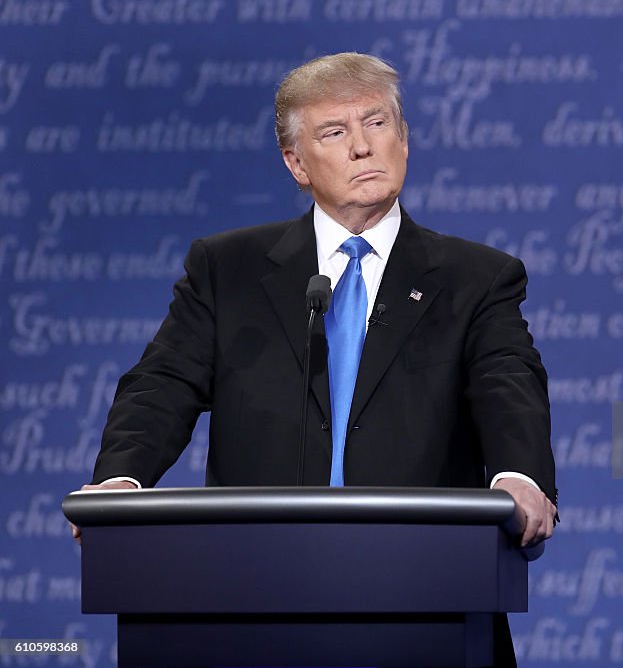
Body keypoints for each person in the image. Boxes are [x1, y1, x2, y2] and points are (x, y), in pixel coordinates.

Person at [71, 52, 557, 667]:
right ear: (296, 164)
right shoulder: (229, 270)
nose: (362, 147)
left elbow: (508, 381)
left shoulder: (476, 278)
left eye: (377, 124)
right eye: (335, 132)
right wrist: (122, 478)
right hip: (250, 594)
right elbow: (163, 382)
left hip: (423, 596)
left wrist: (520, 475)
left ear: (404, 140)